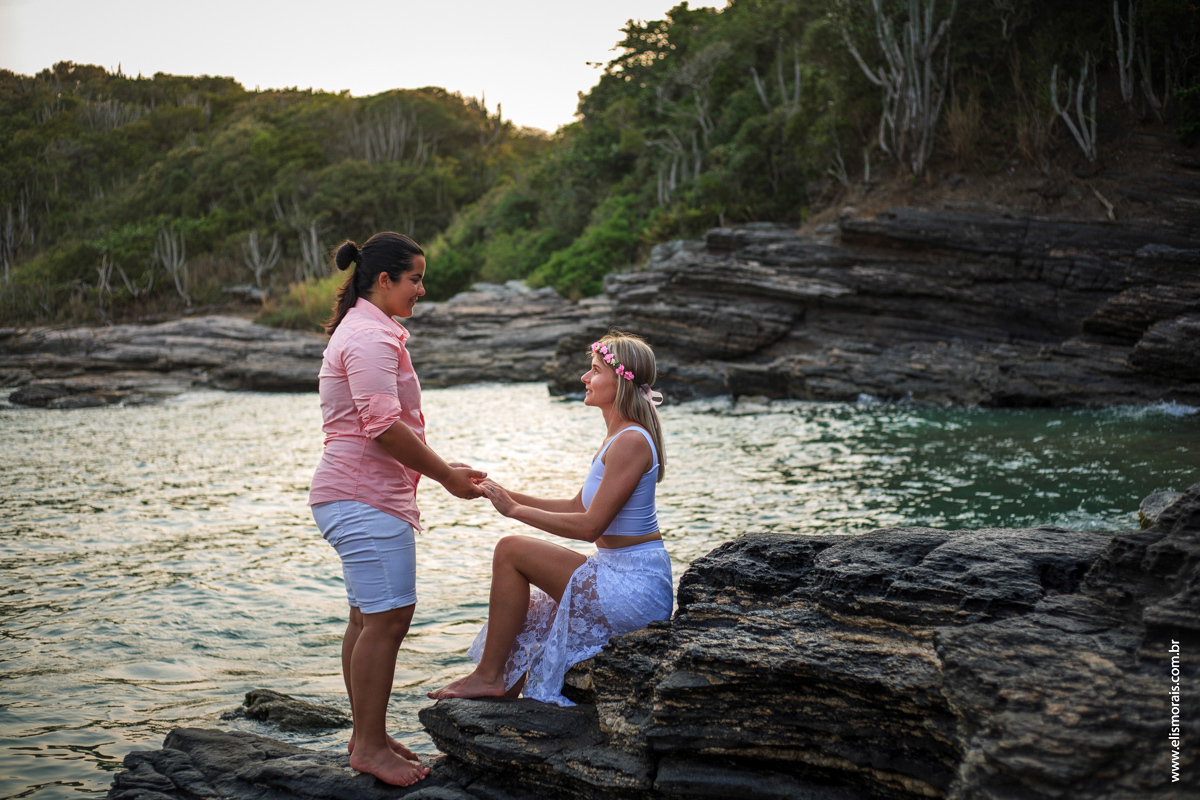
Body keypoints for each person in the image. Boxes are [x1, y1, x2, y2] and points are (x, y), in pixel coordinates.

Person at [309, 232, 484, 787]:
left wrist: (438, 467)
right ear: (384, 280)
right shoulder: (367, 337)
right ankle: (367, 746)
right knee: (388, 619)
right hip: (362, 496)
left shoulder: (364, 329)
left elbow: (384, 425)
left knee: (368, 618)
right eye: (415, 279)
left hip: (358, 493)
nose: (422, 289)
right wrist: (448, 477)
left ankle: (371, 735)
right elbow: (382, 426)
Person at [428, 331, 673, 706]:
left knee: (511, 551)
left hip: (634, 585)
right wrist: (498, 491)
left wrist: (514, 512)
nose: (584, 378)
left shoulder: (631, 441)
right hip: (618, 573)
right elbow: (578, 506)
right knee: (534, 603)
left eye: (594, 371)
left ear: (620, 382)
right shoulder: (619, 437)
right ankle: (502, 681)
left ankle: (490, 676)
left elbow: (590, 526)